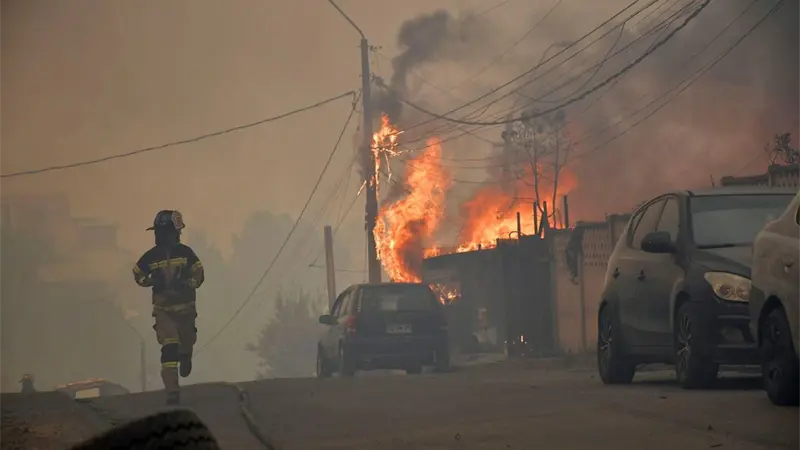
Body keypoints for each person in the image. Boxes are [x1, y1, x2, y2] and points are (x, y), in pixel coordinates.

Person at [132, 210, 204, 405]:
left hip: (186, 310)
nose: (159, 236)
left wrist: (189, 282)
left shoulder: (186, 253)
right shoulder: (150, 257)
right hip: (164, 311)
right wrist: (150, 280)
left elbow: (199, 273)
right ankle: (172, 390)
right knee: (169, 346)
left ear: (175, 232)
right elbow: (137, 274)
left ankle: (186, 355)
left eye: (163, 232)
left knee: (187, 340)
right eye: (158, 232)